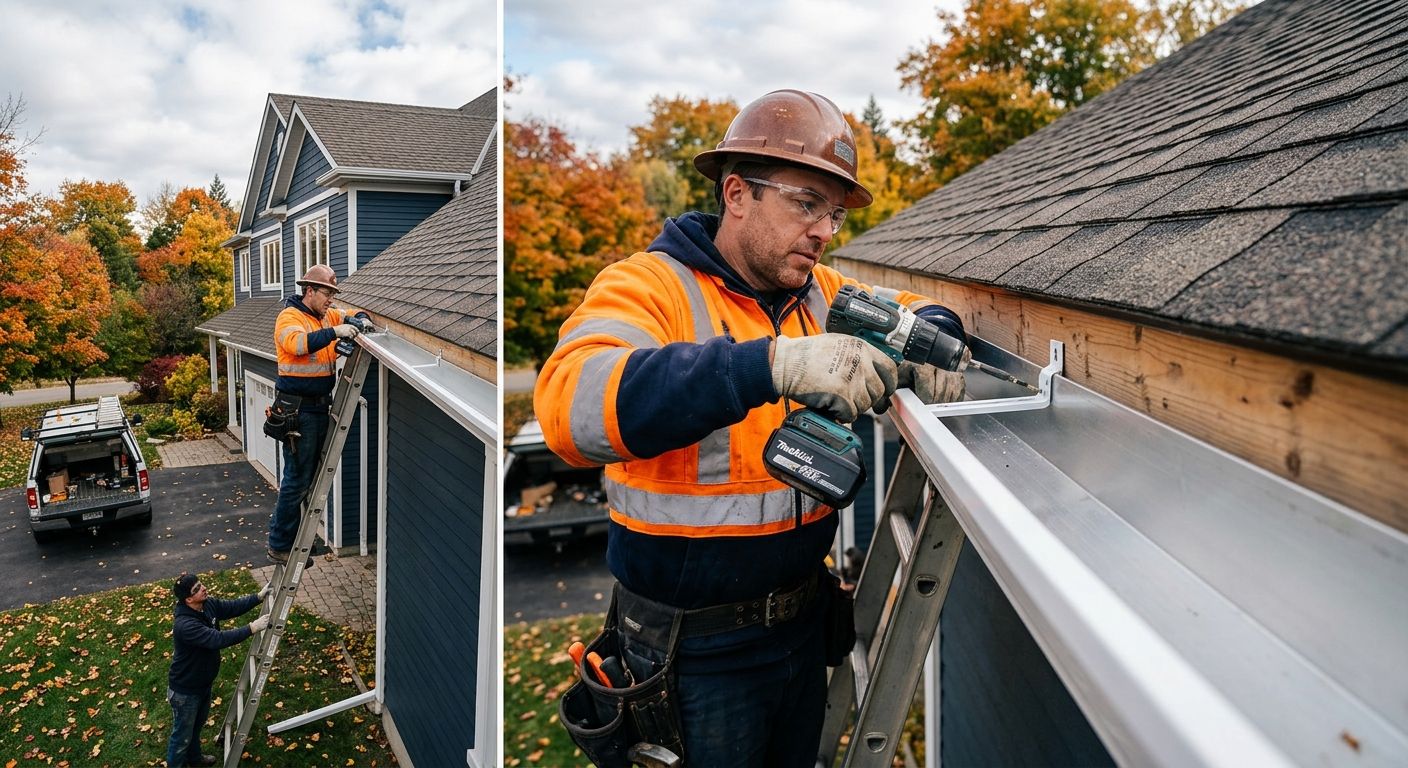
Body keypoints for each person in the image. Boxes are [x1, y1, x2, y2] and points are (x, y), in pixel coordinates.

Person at [535, 90, 968, 767]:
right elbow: (570, 408)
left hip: (800, 629)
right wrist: (770, 365)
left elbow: (916, 307)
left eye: (833, 212)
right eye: (805, 204)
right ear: (736, 193)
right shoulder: (650, 287)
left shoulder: (822, 294)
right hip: (692, 654)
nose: (825, 230)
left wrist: (935, 335)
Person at [267, 264, 361, 564]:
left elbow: (355, 316)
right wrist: (335, 332)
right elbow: (297, 344)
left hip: (320, 405)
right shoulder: (289, 318)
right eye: (327, 293)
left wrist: (361, 321)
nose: (331, 300)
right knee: (296, 479)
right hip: (299, 410)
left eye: (333, 295)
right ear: (310, 291)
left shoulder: (326, 314)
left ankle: (295, 543)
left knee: (308, 479)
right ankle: (281, 544)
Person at [166, 573, 270, 767]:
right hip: (185, 691)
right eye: (196, 589)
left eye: (200, 584)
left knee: (195, 729)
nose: (203, 588)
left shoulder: (207, 604)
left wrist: (257, 597)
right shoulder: (185, 625)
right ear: (188, 599)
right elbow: (217, 639)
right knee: (181, 738)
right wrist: (251, 628)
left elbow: (230, 607)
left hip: (202, 684)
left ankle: (195, 759)